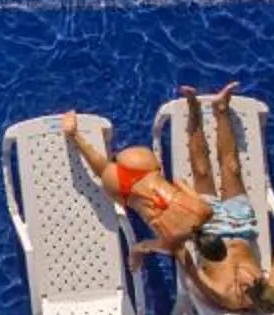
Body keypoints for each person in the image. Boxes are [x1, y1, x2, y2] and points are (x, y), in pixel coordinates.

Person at [170, 81, 274, 315]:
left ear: (246, 297)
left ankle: (193, 109)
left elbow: (191, 270)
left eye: (248, 285)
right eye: (257, 281)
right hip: (242, 226)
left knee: (201, 170)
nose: (251, 279)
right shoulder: (270, 290)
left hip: (211, 231)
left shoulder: (224, 293)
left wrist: (177, 234)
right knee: (233, 168)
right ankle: (221, 108)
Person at [62, 109, 213, 261]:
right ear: (198, 249)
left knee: (147, 168)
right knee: (103, 172)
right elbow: (142, 246)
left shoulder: (205, 210)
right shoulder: (172, 244)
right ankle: (75, 136)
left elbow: (180, 183)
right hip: (123, 187)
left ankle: (114, 155)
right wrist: (135, 256)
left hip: (140, 161)